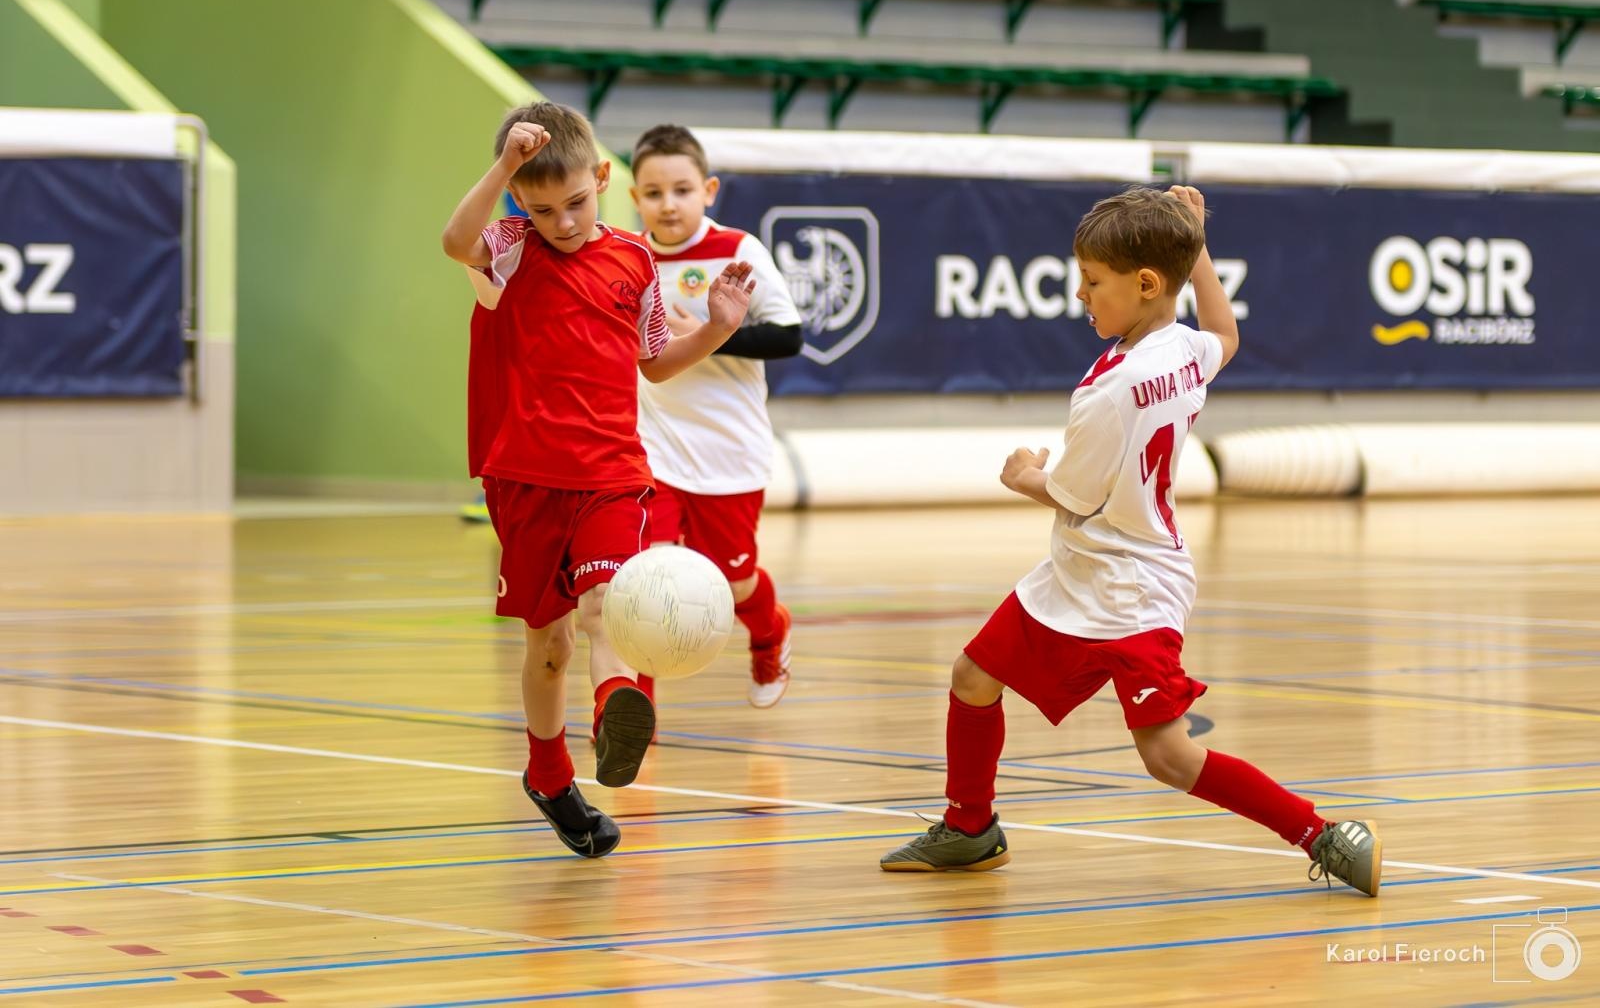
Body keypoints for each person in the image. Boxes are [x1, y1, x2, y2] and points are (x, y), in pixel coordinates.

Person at [877, 186, 1382, 897]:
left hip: (1129, 586)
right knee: (972, 676)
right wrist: (1197, 241)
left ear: (1145, 284)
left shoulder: (1111, 391)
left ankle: (1321, 834)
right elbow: (1226, 334)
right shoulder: (1180, 347)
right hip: (1088, 568)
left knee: (1169, 758)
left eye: (1092, 282)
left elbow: (1071, 495)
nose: (1080, 295)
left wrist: (1024, 473)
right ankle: (969, 830)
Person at [441, 101, 753, 857]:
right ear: (521, 201)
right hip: (522, 478)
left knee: (609, 604)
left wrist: (716, 327)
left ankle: (617, 708)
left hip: (613, 470)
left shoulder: (634, 261)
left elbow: (653, 361)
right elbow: (455, 241)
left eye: (577, 203)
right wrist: (506, 168)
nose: (565, 222)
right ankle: (548, 775)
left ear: (603, 180)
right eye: (543, 208)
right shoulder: (509, 248)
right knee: (547, 645)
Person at [629, 124, 804, 709]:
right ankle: (634, 708)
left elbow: (787, 337)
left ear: (708, 190)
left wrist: (704, 334)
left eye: (681, 189)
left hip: (728, 452)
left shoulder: (738, 250)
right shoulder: (627, 258)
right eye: (653, 193)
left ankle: (769, 629)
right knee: (643, 578)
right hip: (650, 450)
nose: (667, 203)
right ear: (635, 198)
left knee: (734, 581)